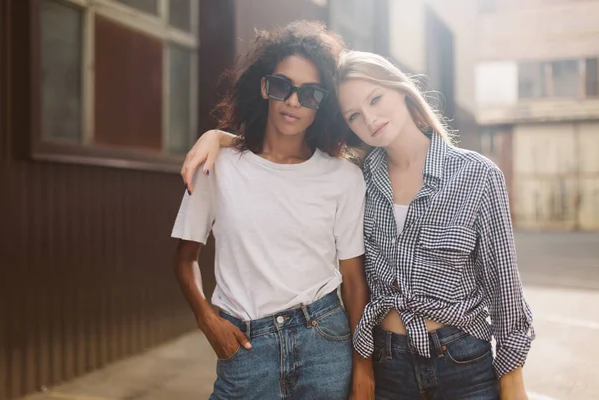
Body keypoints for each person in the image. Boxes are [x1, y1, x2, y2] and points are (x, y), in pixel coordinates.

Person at [181, 49, 535, 400]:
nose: (370, 118)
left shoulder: (477, 175)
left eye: (376, 99)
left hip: (463, 362)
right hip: (389, 364)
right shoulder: (361, 176)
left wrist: (512, 379)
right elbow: (280, 157)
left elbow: (504, 288)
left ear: (402, 89)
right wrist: (219, 137)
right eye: (354, 115)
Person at [171, 22, 374, 400]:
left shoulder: (344, 178)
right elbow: (185, 259)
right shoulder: (217, 166)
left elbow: (353, 282)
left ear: (324, 103)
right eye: (282, 86)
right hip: (245, 348)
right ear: (263, 87)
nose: (293, 102)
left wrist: (364, 367)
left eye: (311, 93)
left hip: (325, 344)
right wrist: (206, 320)